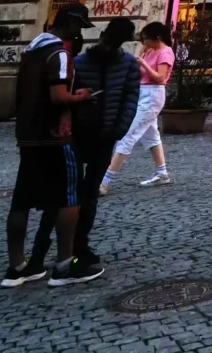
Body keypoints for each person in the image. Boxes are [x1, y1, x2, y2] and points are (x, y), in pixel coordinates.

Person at [3, 2, 96, 288]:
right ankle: (64, 266)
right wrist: (81, 97)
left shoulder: (30, 52)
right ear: (69, 23)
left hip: (28, 136)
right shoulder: (59, 53)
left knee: (21, 202)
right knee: (69, 198)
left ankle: (17, 267)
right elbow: (57, 96)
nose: (78, 32)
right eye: (78, 26)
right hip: (56, 136)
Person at [40, 17, 139, 273]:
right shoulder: (81, 62)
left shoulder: (127, 64)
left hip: (104, 135)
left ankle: (77, 246)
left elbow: (130, 98)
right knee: (70, 194)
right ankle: (55, 248)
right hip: (79, 135)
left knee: (85, 193)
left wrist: (118, 129)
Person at [104, 22, 174, 191]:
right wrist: (141, 54)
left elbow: (160, 77)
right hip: (143, 93)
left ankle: (104, 181)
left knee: (129, 133)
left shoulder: (166, 52)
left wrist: (144, 63)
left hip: (153, 94)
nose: (144, 43)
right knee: (151, 135)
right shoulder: (150, 50)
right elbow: (135, 64)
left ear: (156, 38)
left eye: (146, 40)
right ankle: (162, 172)